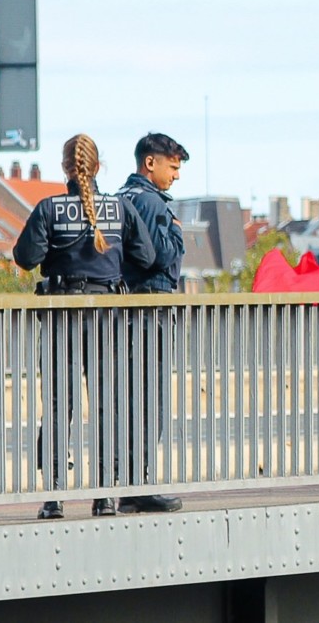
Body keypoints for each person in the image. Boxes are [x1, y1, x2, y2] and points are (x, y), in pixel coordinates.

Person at [13, 134, 156, 520]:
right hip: (107, 316)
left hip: (62, 317)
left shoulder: (49, 209)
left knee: (60, 406)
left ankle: (55, 497)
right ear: (98, 168)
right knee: (106, 404)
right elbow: (147, 256)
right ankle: (105, 495)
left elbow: (25, 257)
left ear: (65, 168)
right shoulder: (121, 208)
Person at [115, 132, 190, 514]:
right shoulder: (150, 203)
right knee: (148, 399)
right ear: (151, 163)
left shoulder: (119, 198)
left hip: (121, 311)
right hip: (150, 311)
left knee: (124, 399)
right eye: (173, 167)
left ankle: (122, 483)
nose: (176, 176)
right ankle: (138, 485)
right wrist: (177, 230)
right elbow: (162, 258)